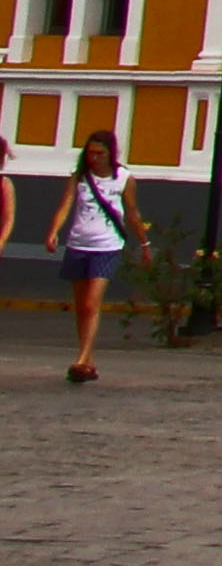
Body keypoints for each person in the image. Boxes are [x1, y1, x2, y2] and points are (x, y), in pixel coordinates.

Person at [43, 127, 136, 383]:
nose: (94, 158)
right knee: (82, 306)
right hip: (78, 244)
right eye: (91, 153)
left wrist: (144, 241)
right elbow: (65, 206)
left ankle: (81, 358)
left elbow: (132, 211)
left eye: (100, 154)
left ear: (110, 153)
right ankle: (88, 361)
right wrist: (53, 231)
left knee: (91, 303)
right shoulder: (80, 177)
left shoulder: (123, 178)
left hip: (107, 246)